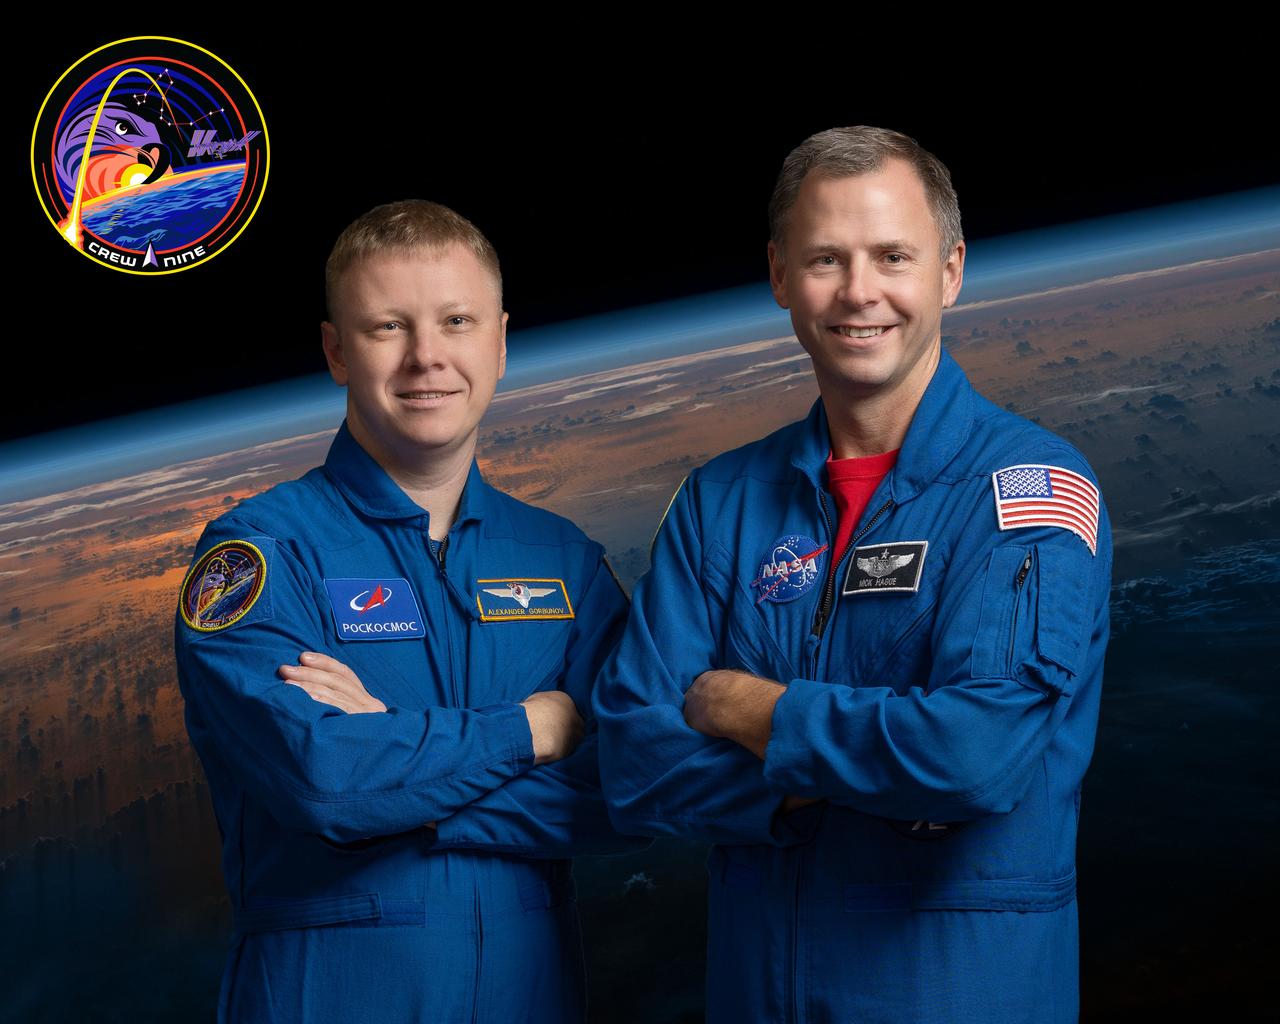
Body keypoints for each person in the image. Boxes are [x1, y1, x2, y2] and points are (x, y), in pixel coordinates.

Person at [593, 126, 1112, 1023]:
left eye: (893, 256)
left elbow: (973, 756)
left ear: (949, 271)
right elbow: (633, 761)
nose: (860, 291)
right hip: (758, 996)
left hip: (957, 992)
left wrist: (753, 711)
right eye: (826, 258)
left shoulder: (1028, 492)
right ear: (780, 277)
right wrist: (844, 778)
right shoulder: (721, 502)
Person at [174, 199, 645, 1023]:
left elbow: (642, 786)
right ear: (336, 352)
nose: (427, 358)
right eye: (389, 327)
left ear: (498, 342)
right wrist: (527, 731)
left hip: (528, 999)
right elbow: (321, 783)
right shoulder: (259, 555)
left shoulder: (562, 560)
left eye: (456, 321)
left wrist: (392, 756)